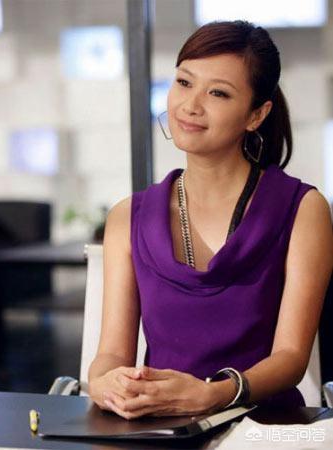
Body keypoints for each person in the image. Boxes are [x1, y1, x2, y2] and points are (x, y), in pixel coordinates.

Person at [88, 20, 333, 420]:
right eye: (184, 83)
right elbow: (112, 354)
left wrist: (214, 395)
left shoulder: (304, 209)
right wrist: (103, 383)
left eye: (217, 93)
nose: (190, 105)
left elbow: (291, 357)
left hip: (264, 429)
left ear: (256, 114)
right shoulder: (127, 217)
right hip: (160, 429)